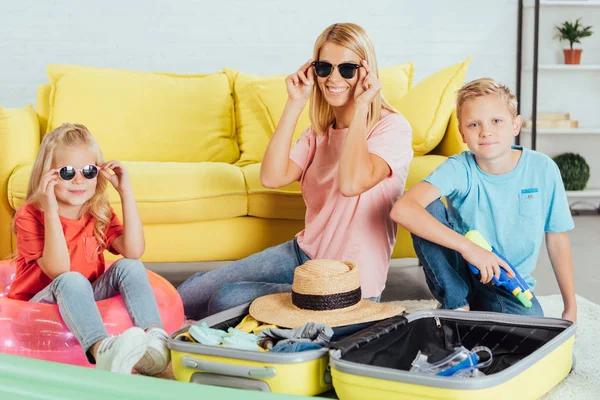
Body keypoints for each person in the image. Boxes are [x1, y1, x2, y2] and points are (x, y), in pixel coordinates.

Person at [178, 22, 413, 320]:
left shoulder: (391, 128)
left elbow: (352, 182)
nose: (334, 78)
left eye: (348, 69)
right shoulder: (319, 133)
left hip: (346, 281)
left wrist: (361, 107)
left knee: (227, 299)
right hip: (302, 254)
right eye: (324, 68)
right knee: (189, 294)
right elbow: (271, 177)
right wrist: (295, 103)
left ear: (366, 72)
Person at [390, 77, 577, 322]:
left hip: (508, 283)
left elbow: (557, 239)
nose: (486, 131)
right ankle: (457, 304)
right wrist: (471, 250)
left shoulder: (543, 169)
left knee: (530, 333)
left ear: (515, 125)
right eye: (474, 124)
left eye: (496, 121)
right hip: (461, 274)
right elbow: (402, 210)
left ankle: (468, 315)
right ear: (462, 133)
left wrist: (570, 307)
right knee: (427, 206)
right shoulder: (459, 168)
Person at [8, 123, 171, 373]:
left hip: (83, 296)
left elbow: (133, 251)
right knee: (72, 279)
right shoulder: (30, 215)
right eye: (66, 172)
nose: (78, 180)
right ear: (47, 175)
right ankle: (101, 350)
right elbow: (59, 271)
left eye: (88, 170)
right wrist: (50, 209)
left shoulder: (96, 211)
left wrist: (125, 191)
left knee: (130, 266)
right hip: (37, 306)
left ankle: (155, 342)